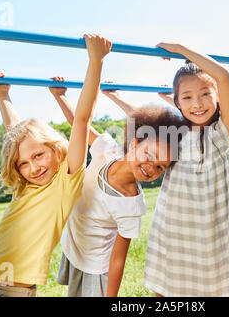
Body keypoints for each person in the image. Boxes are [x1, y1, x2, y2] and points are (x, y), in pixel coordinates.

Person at [0, 34, 111, 297]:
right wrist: (3, 96)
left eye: (39, 155)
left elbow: (83, 119)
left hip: (15, 290)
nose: (33, 167)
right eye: (24, 164)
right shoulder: (24, 185)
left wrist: (95, 60)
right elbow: (15, 134)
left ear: (54, 147)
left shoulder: (66, 179)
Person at [48, 78, 188, 297]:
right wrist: (59, 95)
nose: (152, 167)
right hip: (75, 246)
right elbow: (80, 123)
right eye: (149, 155)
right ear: (134, 144)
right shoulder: (108, 150)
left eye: (160, 166)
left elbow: (118, 259)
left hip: (96, 266)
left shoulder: (131, 204)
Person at [143, 42, 229, 297]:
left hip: (215, 226)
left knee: (214, 287)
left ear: (217, 96)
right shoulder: (173, 135)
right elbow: (140, 125)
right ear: (177, 103)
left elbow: (223, 76)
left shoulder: (223, 132)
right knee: (167, 288)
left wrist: (182, 50)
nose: (198, 103)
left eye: (205, 93)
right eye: (187, 97)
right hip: (177, 224)